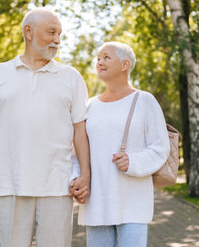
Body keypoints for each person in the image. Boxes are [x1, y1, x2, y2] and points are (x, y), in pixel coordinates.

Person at [0, 8, 91, 247]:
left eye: (60, 34)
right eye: (52, 32)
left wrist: (85, 174)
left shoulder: (71, 77)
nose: (57, 40)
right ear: (28, 31)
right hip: (9, 182)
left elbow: (80, 130)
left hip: (57, 184)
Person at [73, 42, 171, 247]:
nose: (99, 61)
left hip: (133, 201)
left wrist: (133, 161)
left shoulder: (145, 101)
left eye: (106, 57)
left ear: (125, 64)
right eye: (98, 58)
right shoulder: (89, 106)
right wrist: (77, 179)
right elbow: (77, 153)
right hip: (97, 202)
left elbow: (160, 146)